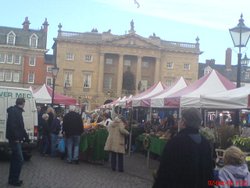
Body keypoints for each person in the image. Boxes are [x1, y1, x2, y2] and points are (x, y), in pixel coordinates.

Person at [152, 107, 214, 188]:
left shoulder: (175, 142)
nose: (179, 121)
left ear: (184, 122)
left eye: (180, 119)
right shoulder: (205, 143)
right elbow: (209, 172)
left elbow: (164, 172)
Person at [6, 97, 30, 187]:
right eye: (24, 103)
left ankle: (12, 179)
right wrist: (16, 137)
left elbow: (20, 127)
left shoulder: (16, 111)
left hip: (15, 139)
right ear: (23, 103)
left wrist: (26, 138)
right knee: (19, 160)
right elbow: (13, 126)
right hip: (15, 140)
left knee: (15, 160)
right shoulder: (14, 111)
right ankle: (14, 180)